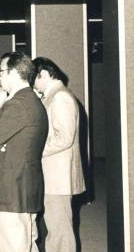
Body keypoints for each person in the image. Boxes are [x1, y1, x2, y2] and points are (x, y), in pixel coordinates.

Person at [0, 52, 48, 252]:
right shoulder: (33, 100)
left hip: (12, 187)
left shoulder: (16, 104)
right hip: (26, 184)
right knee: (27, 241)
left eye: (1, 72)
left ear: (14, 73)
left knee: (13, 244)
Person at [32, 57, 86, 251]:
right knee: (56, 227)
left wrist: (34, 150)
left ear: (45, 74)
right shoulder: (53, 95)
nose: (33, 85)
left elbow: (64, 138)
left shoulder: (60, 96)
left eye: (34, 79)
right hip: (54, 173)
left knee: (60, 229)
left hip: (58, 175)